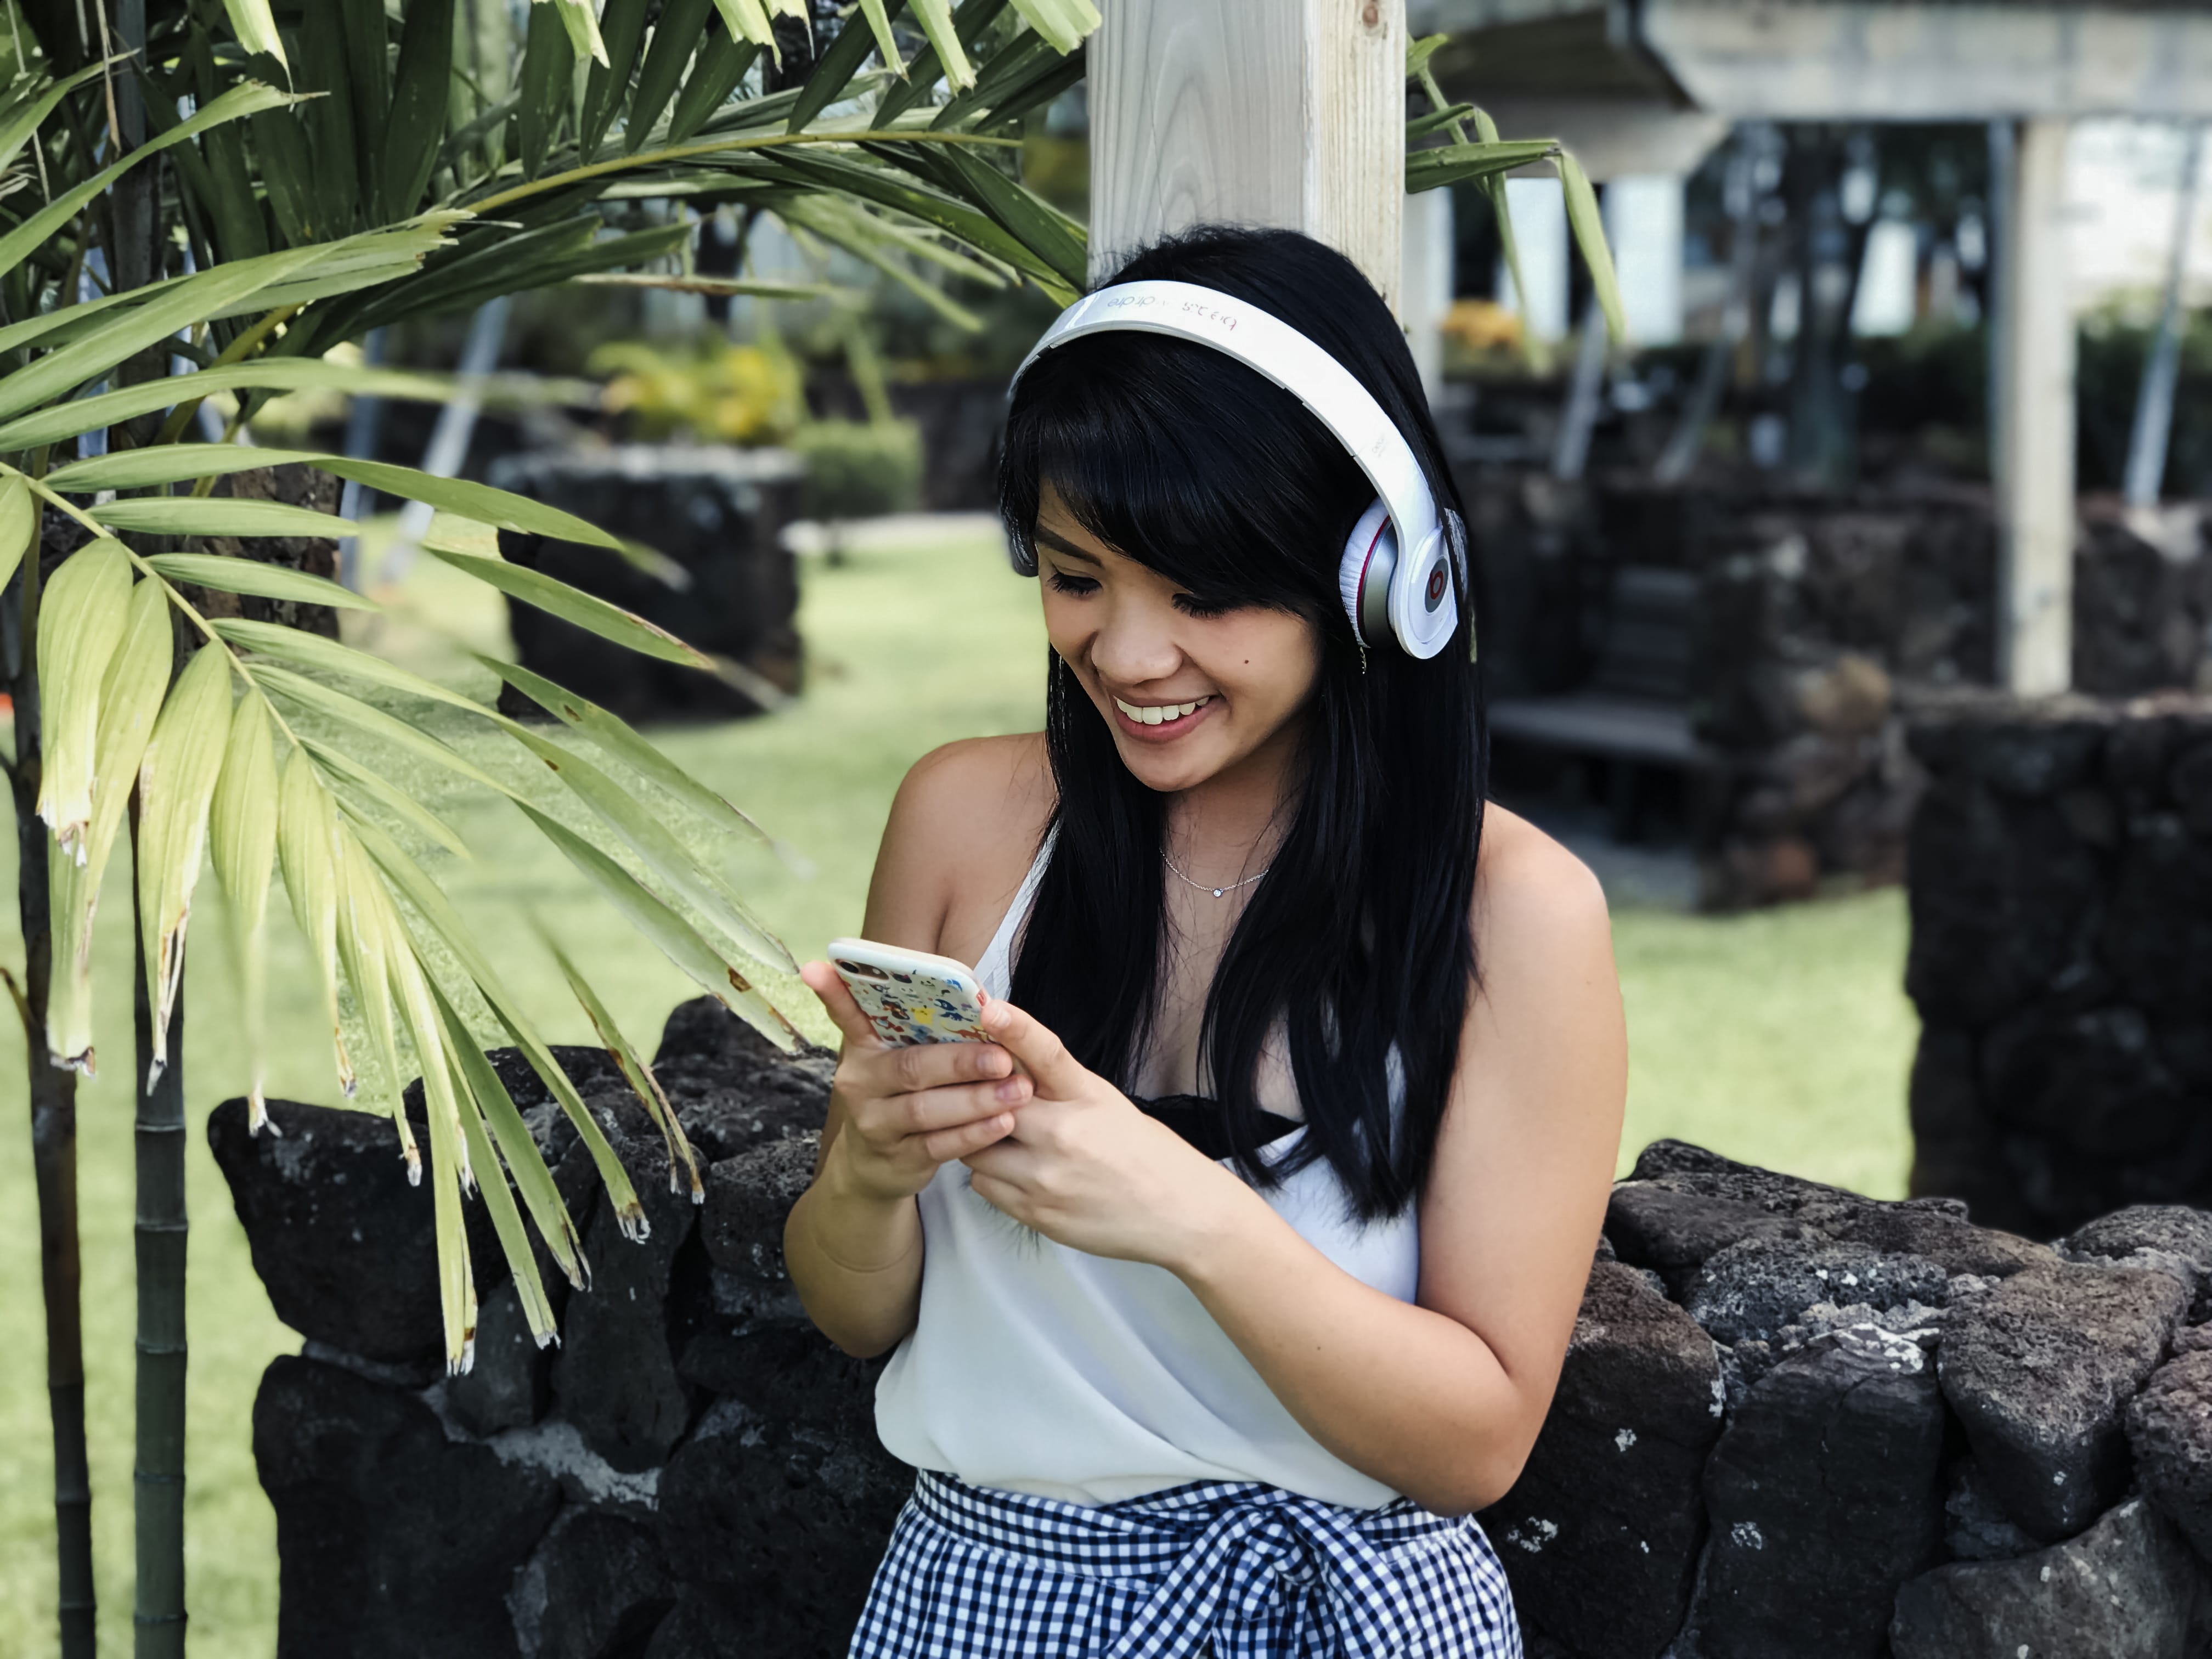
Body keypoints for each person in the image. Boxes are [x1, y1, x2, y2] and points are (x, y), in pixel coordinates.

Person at [785, 225, 1626, 1658]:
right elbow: (861, 1317)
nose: (1125, 654)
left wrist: (1189, 1218)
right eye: (1074, 576)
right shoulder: (963, 820)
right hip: (986, 1604)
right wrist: (864, 1180)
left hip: (1356, 1615)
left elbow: (1478, 1443)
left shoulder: (1517, 913)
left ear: (1379, 577)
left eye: (1206, 591)